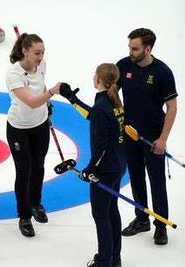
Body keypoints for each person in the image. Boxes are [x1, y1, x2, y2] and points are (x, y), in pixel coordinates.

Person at [59, 63, 126, 267]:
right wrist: (73, 99)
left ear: (97, 79)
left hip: (104, 170)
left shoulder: (102, 107)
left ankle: (104, 260)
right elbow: (92, 116)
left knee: (101, 216)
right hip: (118, 165)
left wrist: (90, 169)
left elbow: (101, 145)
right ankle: (115, 257)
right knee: (111, 210)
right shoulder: (113, 103)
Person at [116, 28, 178, 245]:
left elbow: (171, 107)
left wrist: (163, 139)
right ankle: (141, 218)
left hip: (153, 138)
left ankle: (161, 226)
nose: (130, 52)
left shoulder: (162, 72)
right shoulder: (123, 66)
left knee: (157, 182)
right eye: (129, 47)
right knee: (136, 178)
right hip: (130, 135)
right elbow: (112, 93)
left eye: (135, 48)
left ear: (148, 48)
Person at [5, 33, 61, 237]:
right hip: (19, 127)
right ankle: (24, 216)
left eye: (43, 52)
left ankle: (36, 202)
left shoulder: (42, 65)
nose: (40, 56)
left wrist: (47, 100)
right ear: (24, 51)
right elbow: (31, 101)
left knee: (39, 165)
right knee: (24, 170)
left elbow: (41, 86)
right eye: (37, 53)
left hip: (40, 124)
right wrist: (52, 93)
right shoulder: (14, 75)